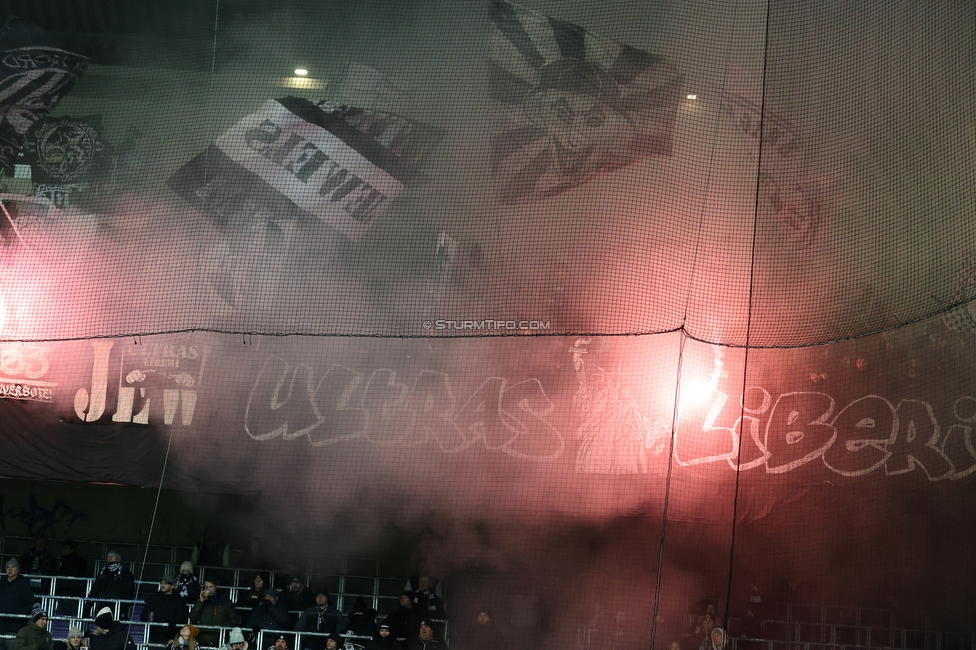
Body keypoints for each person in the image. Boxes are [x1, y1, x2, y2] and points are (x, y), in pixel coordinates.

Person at [189, 576, 238, 646]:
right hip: (203, 639)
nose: (208, 589)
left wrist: (223, 627)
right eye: (206, 587)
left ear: (216, 587)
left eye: (210, 586)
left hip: (220, 639)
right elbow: (193, 617)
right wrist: (201, 601)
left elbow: (235, 620)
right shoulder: (201, 602)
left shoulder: (225, 602)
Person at [140, 575, 188, 643]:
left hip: (171, 638)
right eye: (161, 583)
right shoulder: (153, 599)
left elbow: (181, 619)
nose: (162, 585)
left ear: (172, 586)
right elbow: (143, 616)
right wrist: (149, 620)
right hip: (153, 637)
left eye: (165, 583)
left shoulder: (179, 601)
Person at [88, 551, 135, 619]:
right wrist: (89, 604)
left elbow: (128, 590)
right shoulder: (103, 572)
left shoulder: (125, 572)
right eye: (108, 556)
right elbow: (95, 588)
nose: (109, 557)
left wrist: (124, 606)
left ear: (118, 559)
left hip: (118, 606)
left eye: (112, 556)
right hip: (102, 604)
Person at [0, 558, 37, 639]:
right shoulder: (1, 584)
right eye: (8, 567)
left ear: (18, 570)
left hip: (15, 627)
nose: (10, 569)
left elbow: (29, 604)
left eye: (13, 567)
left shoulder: (24, 585)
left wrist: (18, 617)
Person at [55, 542, 88, 616]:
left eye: (66, 548)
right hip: (69, 592)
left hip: (71, 592)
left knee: (64, 616)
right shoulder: (63, 560)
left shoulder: (76, 561)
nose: (63, 550)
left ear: (72, 550)